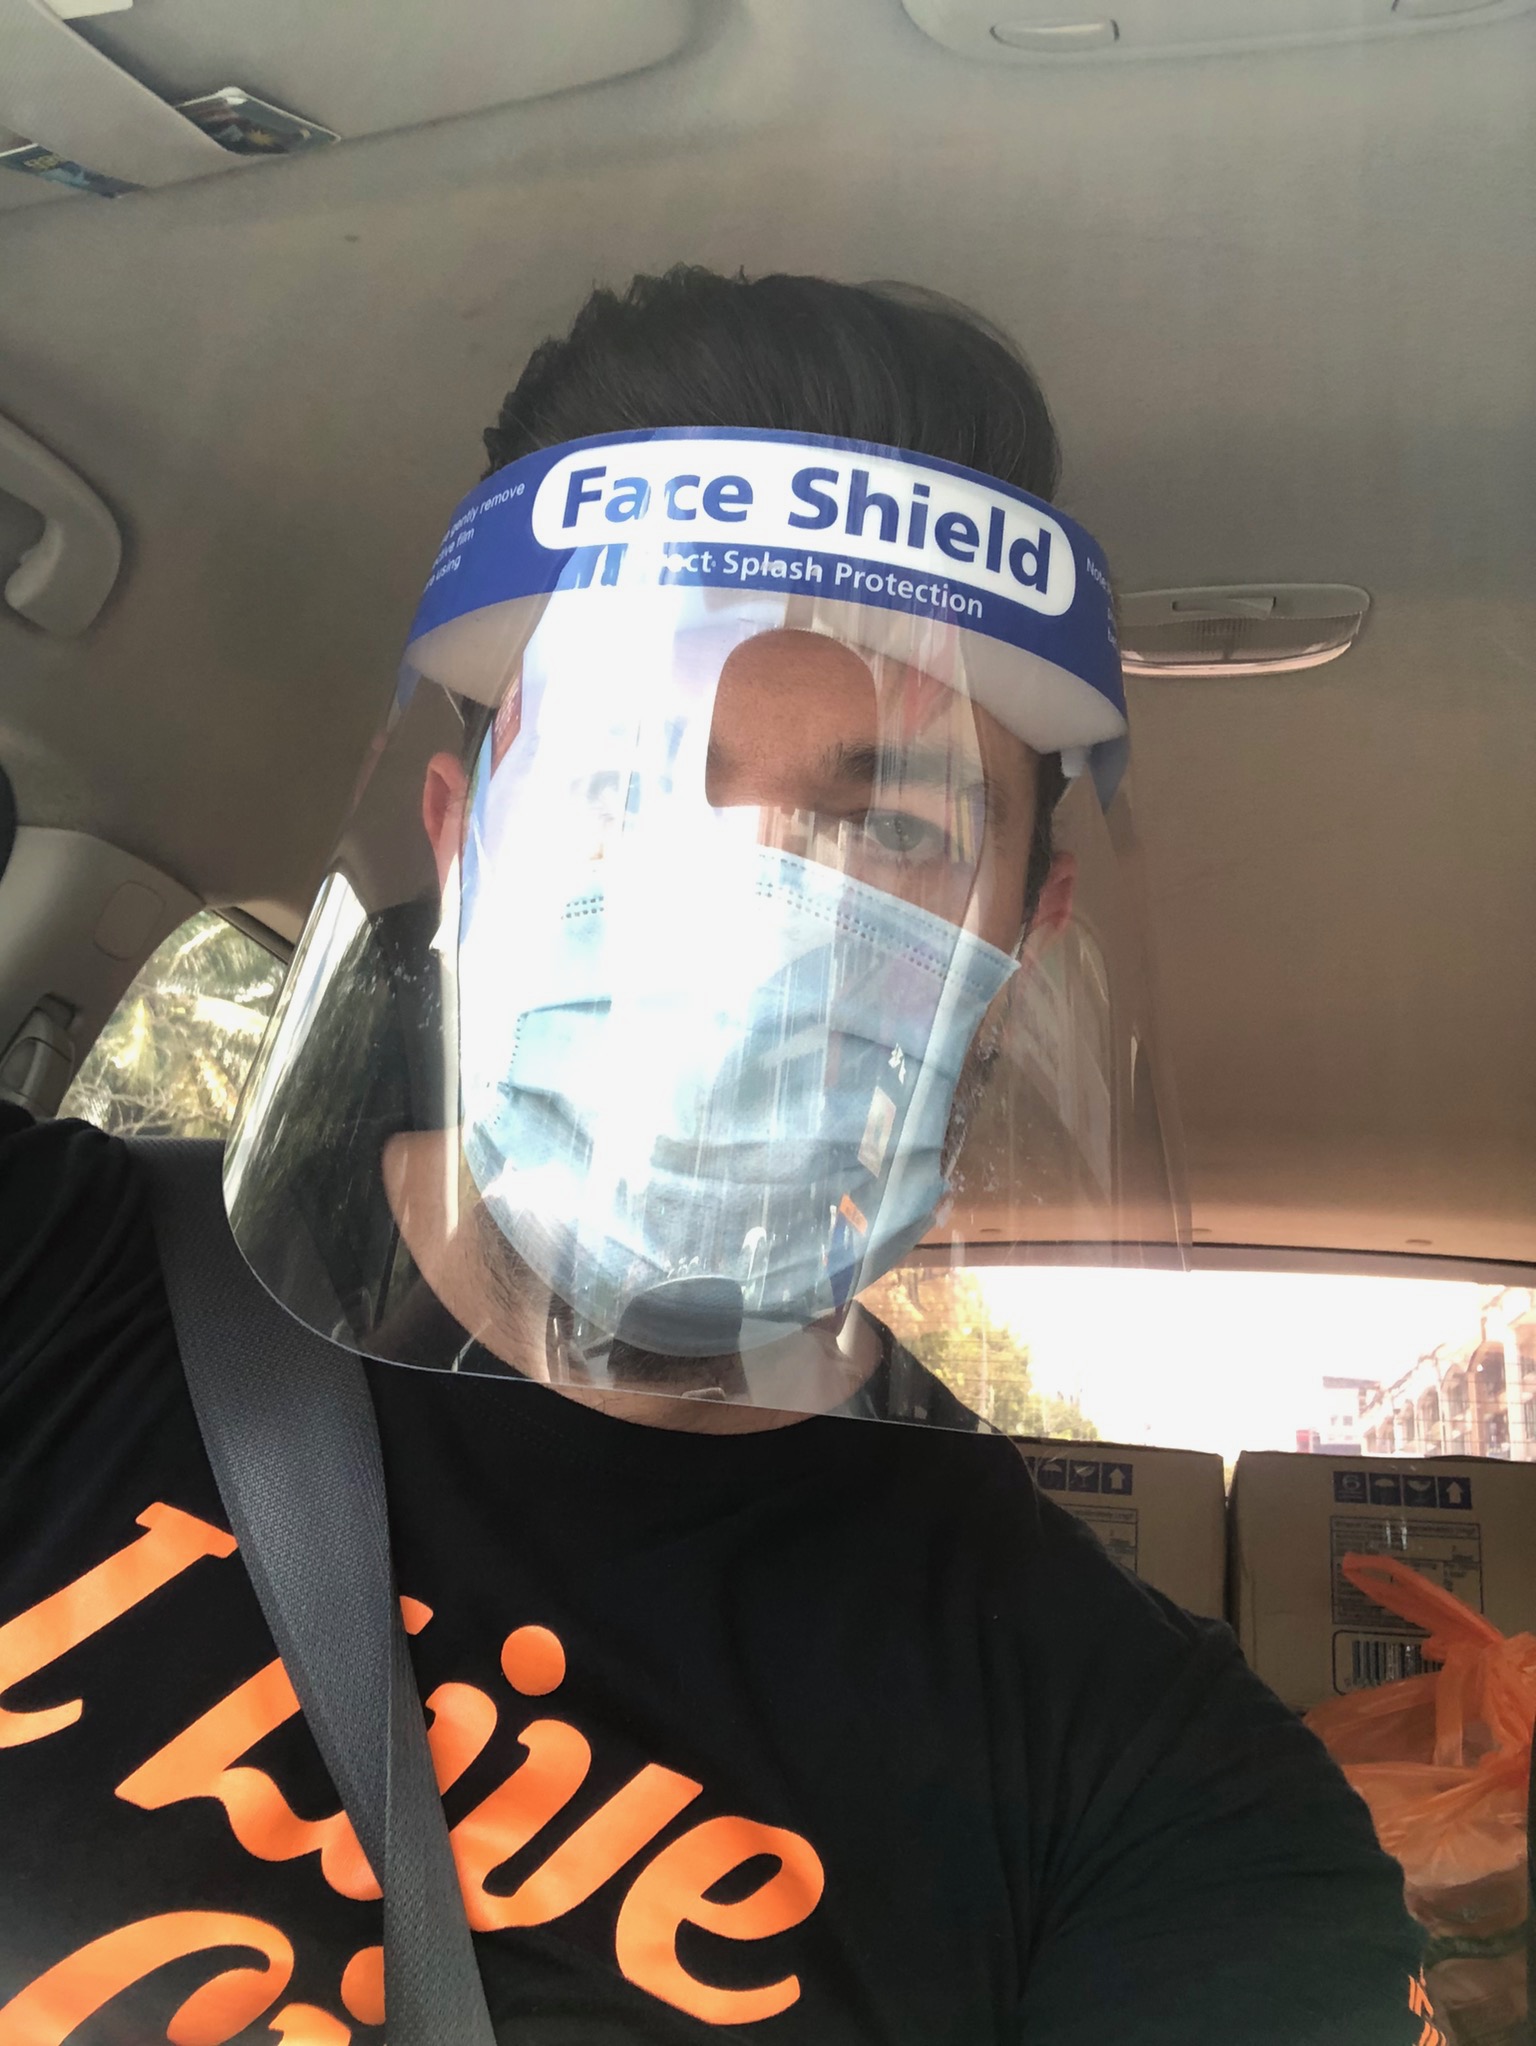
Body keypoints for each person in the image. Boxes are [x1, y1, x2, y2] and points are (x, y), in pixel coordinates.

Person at [0, 267, 1434, 2044]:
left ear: (1024, 935)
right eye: (624, 782)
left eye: (888, 824)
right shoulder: (37, 1279)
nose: (748, 926)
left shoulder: (1153, 1792)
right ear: (461, 847)